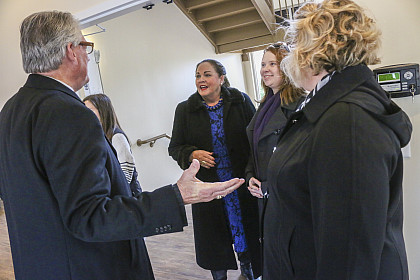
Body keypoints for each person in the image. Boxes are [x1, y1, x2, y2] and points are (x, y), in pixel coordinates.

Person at [0, 11, 244, 280]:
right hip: (88, 268)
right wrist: (177, 195)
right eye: (85, 46)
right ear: (71, 51)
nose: (86, 55)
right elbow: (91, 216)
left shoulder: (10, 111)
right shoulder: (70, 113)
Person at [262, 0, 412, 279]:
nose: (289, 57)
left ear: (311, 51)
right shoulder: (329, 105)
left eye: (294, 47)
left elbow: (349, 256)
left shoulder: (347, 120)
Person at [168, 59, 261, 280]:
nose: (201, 80)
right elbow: (175, 147)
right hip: (208, 190)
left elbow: (256, 137)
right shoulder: (185, 110)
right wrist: (191, 154)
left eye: (206, 74)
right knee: (215, 240)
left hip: (240, 184)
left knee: (246, 232)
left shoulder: (240, 101)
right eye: (198, 76)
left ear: (221, 78)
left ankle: (248, 270)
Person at [246, 42, 305, 219]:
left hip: (286, 195)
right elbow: (255, 147)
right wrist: (250, 176)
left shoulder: (299, 105)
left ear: (287, 67)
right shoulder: (264, 105)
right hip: (262, 192)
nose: (265, 69)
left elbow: (299, 159)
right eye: (263, 64)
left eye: (273, 64)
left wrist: (270, 186)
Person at [83, 93, 142, 195]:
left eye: (90, 110)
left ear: (102, 111)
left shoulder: (117, 137)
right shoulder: (100, 136)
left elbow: (126, 176)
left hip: (127, 196)